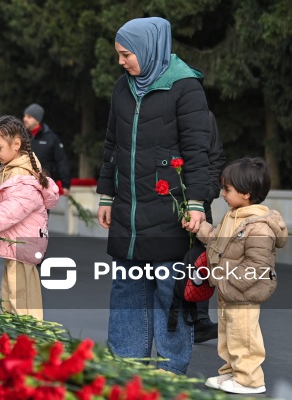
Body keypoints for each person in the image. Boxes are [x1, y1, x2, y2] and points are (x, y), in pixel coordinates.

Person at [96, 17, 211, 374]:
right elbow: (112, 144)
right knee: (127, 290)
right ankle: (127, 366)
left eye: (126, 54)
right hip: (129, 209)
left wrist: (196, 203)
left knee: (169, 291)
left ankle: (170, 371)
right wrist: (105, 195)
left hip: (170, 209)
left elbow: (197, 150)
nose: (121, 62)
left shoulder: (186, 87)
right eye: (119, 55)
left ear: (150, 48)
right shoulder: (122, 87)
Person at [185, 157, 287, 394]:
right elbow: (217, 242)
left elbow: (258, 265)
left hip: (243, 293)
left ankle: (249, 380)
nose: (222, 193)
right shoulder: (233, 216)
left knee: (244, 338)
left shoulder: (258, 226)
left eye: (227, 189)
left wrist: (225, 278)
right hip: (228, 290)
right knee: (228, 335)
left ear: (246, 193)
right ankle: (231, 372)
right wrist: (199, 227)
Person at [0, 115, 60, 319]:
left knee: (21, 304)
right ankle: (17, 340)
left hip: (21, 247)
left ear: (16, 144)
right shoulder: (13, 169)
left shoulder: (22, 177)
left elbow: (9, 212)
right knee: (11, 300)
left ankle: (28, 342)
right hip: (17, 247)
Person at [193, 111, 227, 343]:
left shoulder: (205, 116)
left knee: (201, 258)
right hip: (163, 200)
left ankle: (199, 320)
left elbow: (216, 158)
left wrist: (206, 194)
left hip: (199, 200)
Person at [22, 103, 71, 195]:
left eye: (29, 117)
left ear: (37, 119)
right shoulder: (21, 137)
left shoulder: (51, 138)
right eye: (24, 116)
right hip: (23, 186)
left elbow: (61, 161)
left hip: (43, 187)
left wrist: (65, 185)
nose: (25, 119)